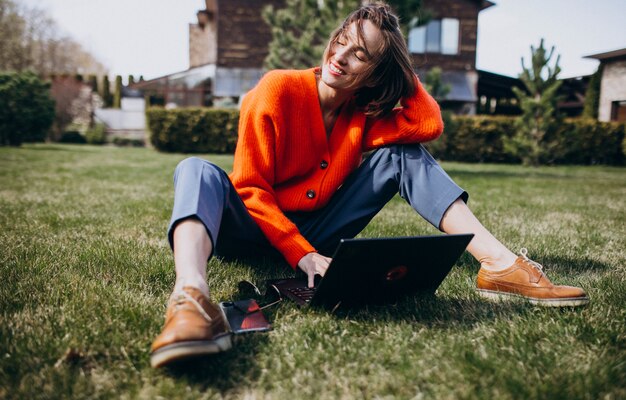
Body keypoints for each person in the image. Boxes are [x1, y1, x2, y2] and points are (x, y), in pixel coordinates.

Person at [149, 2, 588, 368]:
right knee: (196, 169)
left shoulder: (364, 115)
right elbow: (249, 189)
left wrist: (396, 69)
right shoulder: (278, 89)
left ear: (377, 72)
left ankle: (499, 266)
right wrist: (301, 255)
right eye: (341, 41)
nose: (340, 56)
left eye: (360, 54)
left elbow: (426, 123)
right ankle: (191, 296)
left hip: (321, 229)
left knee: (401, 155)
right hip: (250, 229)